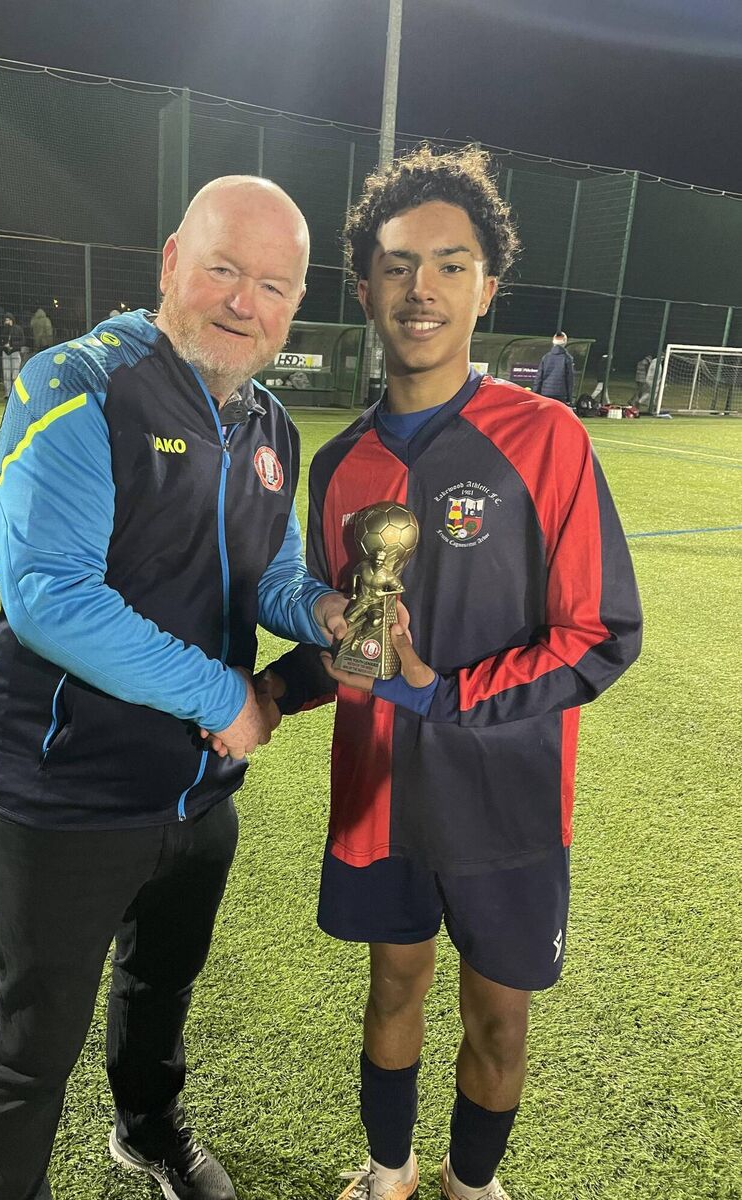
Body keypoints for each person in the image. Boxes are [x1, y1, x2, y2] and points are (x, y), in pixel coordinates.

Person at [251, 146, 642, 1200]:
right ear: (367, 286)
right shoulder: (338, 467)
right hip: (379, 795)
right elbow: (356, 637)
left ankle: (475, 1186)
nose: (421, 288)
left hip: (507, 797)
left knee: (499, 1015)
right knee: (389, 988)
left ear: (487, 287)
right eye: (397, 264)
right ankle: (390, 1169)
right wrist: (282, 689)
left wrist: (445, 694)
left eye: (450, 264)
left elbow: (602, 632)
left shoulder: (547, 437)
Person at [0, 174, 348, 1200]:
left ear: (295, 304)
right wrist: (223, 697)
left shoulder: (273, 427)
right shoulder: (78, 383)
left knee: (160, 983)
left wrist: (320, 614)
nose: (244, 301)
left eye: (273, 284)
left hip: (195, 793)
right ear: (172, 261)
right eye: (224, 268)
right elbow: (49, 596)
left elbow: (261, 573)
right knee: (30, 1043)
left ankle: (146, 1130)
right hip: (64, 791)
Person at [533, 331, 575, 406]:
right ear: (564, 342)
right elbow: (569, 380)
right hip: (560, 394)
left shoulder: (546, 357)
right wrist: (569, 398)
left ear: (553, 342)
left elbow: (539, 378)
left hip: (545, 393)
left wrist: (535, 393)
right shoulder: (567, 358)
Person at [0, 313, 24, 396]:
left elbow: (22, 341)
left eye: (9, 320)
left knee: (15, 374)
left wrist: (12, 345)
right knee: (6, 374)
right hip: (5, 352)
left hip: (15, 352)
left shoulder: (18, 329)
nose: (7, 321)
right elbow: (0, 339)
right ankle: (7, 394)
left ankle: (15, 394)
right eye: (6, 320)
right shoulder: (3, 329)